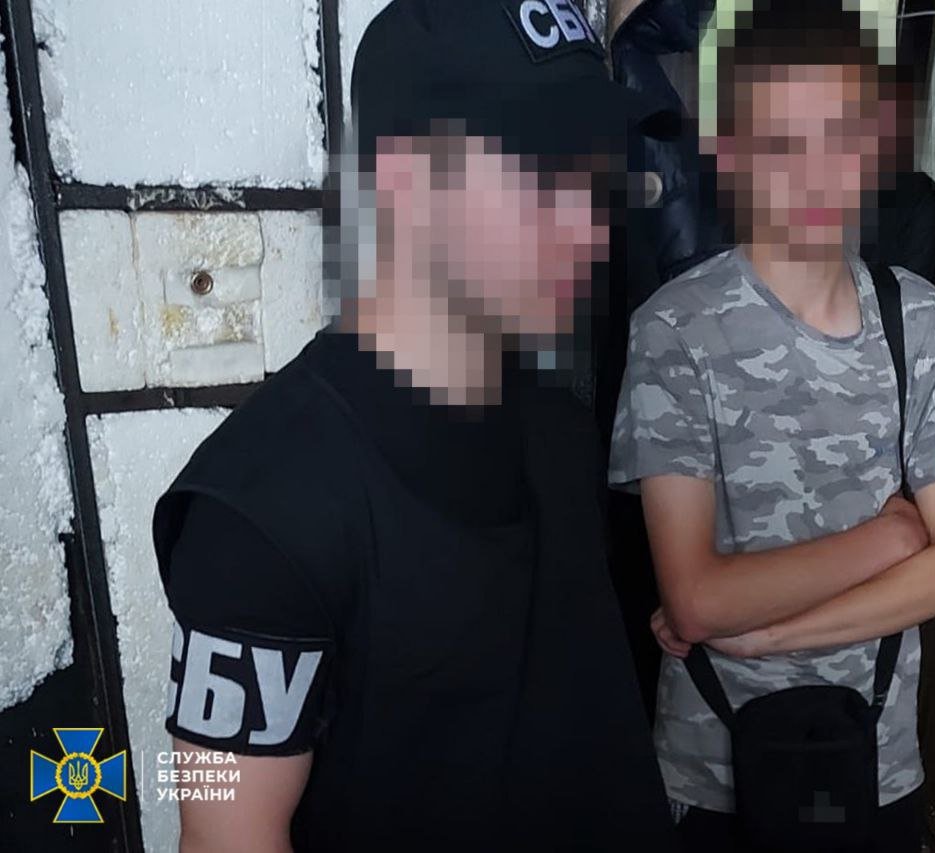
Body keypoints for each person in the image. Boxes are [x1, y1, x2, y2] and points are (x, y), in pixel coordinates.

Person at [151, 1, 679, 850]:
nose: (589, 223)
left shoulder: (556, 422)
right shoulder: (257, 515)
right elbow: (225, 838)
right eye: (542, 174)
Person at [607, 2, 935, 850]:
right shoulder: (677, 328)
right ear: (731, 152)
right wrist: (894, 539)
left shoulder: (920, 321)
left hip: (875, 760)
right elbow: (696, 596)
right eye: (783, 142)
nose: (819, 174)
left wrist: (771, 633)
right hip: (717, 769)